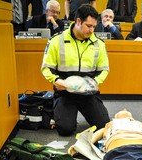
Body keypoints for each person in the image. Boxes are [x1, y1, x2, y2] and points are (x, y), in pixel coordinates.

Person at [41, 4, 110, 136]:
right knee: (65, 130)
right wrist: (56, 80)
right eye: (89, 26)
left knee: (104, 126)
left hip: (88, 93)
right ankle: (57, 107)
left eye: (94, 27)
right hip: (65, 94)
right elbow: (46, 68)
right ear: (78, 21)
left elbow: (104, 69)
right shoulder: (57, 41)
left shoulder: (99, 44)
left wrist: (94, 82)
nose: (92, 30)